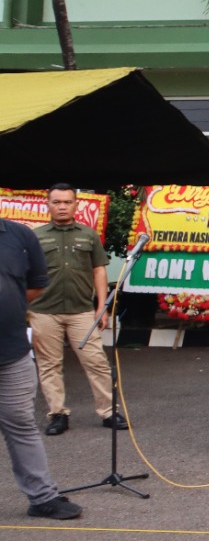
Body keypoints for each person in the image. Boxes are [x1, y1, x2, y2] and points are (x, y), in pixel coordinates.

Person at [0, 216, 81, 520]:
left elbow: (35, 286)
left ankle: (43, 498)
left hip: (12, 353)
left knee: (21, 425)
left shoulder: (19, 235)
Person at [28, 184, 120, 435]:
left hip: (81, 311)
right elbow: (26, 273)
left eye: (67, 202)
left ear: (76, 205)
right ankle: (57, 414)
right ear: (48, 205)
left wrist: (102, 307)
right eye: (56, 202)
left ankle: (108, 412)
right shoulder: (35, 236)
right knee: (49, 365)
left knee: (96, 362)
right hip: (44, 311)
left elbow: (99, 270)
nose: (62, 207)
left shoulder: (88, 235)